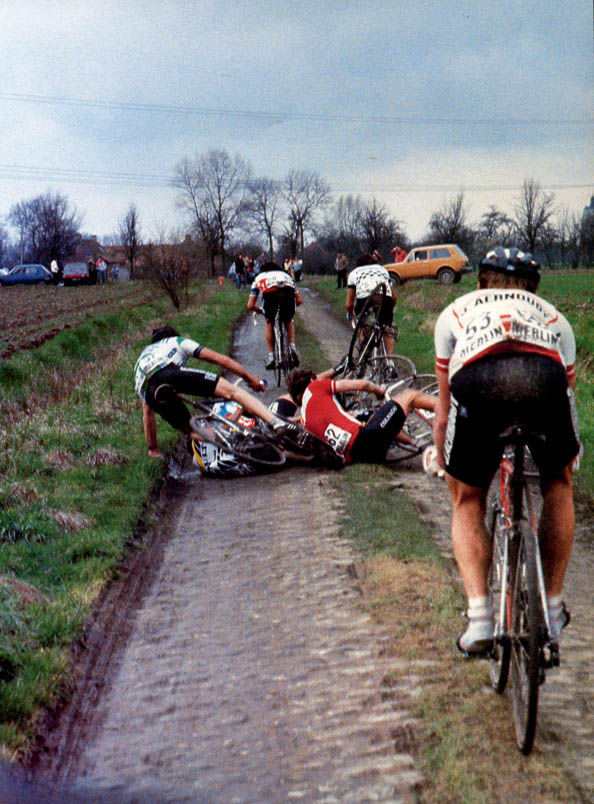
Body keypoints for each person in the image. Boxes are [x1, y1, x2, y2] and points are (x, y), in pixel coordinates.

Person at [433, 246, 580, 655]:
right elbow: (567, 398)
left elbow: (444, 408)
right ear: (534, 287)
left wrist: (446, 459)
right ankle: (551, 610)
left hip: (479, 378)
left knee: (467, 498)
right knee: (558, 484)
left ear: (481, 282)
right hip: (542, 377)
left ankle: (480, 619)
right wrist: (566, 463)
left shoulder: (456, 311)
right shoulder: (555, 318)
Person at [134, 325, 300, 459]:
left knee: (193, 430)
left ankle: (233, 444)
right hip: (169, 372)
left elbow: (147, 414)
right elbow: (223, 360)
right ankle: (277, 423)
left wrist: (153, 448)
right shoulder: (176, 341)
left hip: (148, 388)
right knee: (234, 393)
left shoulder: (144, 355)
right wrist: (251, 380)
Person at [286, 367, 436, 465]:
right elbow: (362, 385)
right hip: (367, 440)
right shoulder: (315, 387)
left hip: (357, 458)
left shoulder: (305, 420)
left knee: (377, 419)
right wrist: (379, 391)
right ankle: (452, 411)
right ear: (311, 380)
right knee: (409, 396)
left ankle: (416, 442)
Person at [246, 261, 303, 370]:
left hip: (270, 293)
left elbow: (250, 305)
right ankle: (292, 347)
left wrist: (262, 312)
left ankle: (271, 357)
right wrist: (290, 310)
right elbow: (300, 300)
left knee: (269, 322)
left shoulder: (259, 277)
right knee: (288, 320)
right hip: (287, 291)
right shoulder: (286, 276)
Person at [346, 253, 397, 354]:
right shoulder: (382, 270)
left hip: (364, 298)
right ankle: (389, 361)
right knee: (386, 329)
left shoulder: (354, 273)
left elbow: (349, 304)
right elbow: (394, 297)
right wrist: (390, 311)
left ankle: (364, 348)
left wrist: (351, 315)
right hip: (385, 297)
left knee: (361, 324)